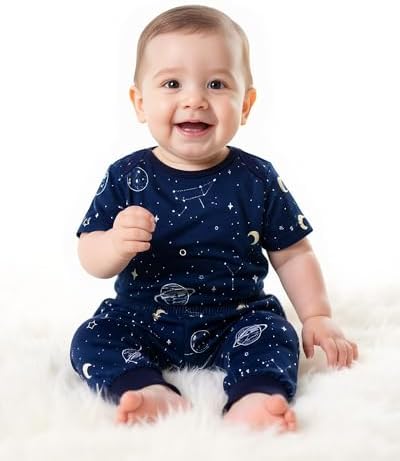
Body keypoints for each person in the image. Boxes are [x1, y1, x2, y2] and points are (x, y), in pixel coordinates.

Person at [70, 5, 358, 432]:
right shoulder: (127, 176)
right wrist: (113, 244)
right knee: (91, 337)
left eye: (217, 84)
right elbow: (89, 251)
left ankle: (255, 396)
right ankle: (147, 388)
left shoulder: (257, 178)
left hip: (236, 319)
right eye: (172, 83)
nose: (195, 99)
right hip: (143, 318)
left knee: (276, 334)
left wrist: (316, 314)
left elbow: (294, 252)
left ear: (246, 104)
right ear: (140, 102)